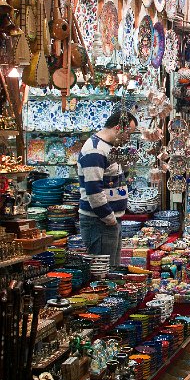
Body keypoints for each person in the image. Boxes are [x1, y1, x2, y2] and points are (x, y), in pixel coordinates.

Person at [78, 110, 137, 266]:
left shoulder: (109, 147)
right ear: (118, 128)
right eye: (128, 133)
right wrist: (109, 218)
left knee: (112, 269)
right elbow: (93, 190)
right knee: (104, 271)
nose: (128, 138)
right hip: (100, 221)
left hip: (109, 220)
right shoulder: (95, 149)